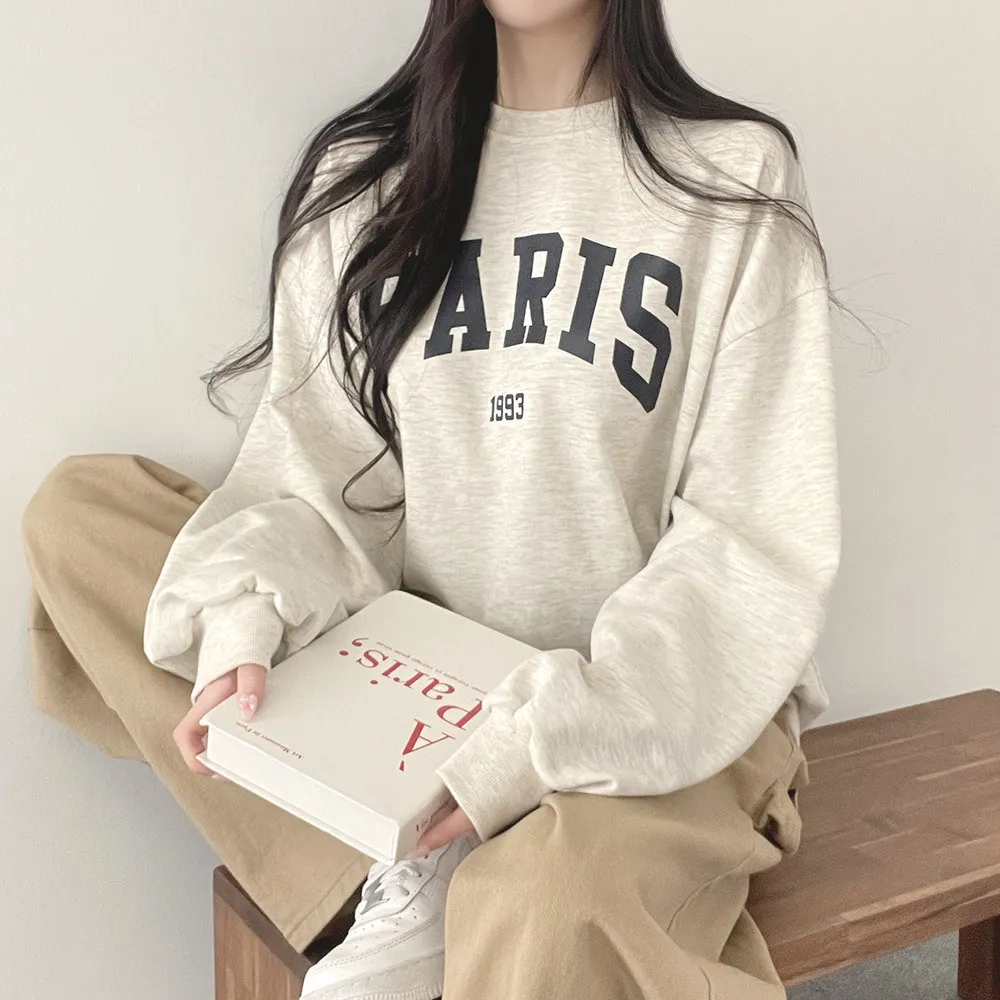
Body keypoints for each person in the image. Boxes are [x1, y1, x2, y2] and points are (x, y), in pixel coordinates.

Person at [25, 1, 842, 999]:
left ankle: (439, 867)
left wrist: (540, 739)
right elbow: (321, 476)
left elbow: (746, 544)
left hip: (655, 715)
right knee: (85, 516)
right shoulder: (365, 178)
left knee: (546, 897)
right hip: (418, 699)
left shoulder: (730, 177)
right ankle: (414, 854)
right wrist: (246, 619)